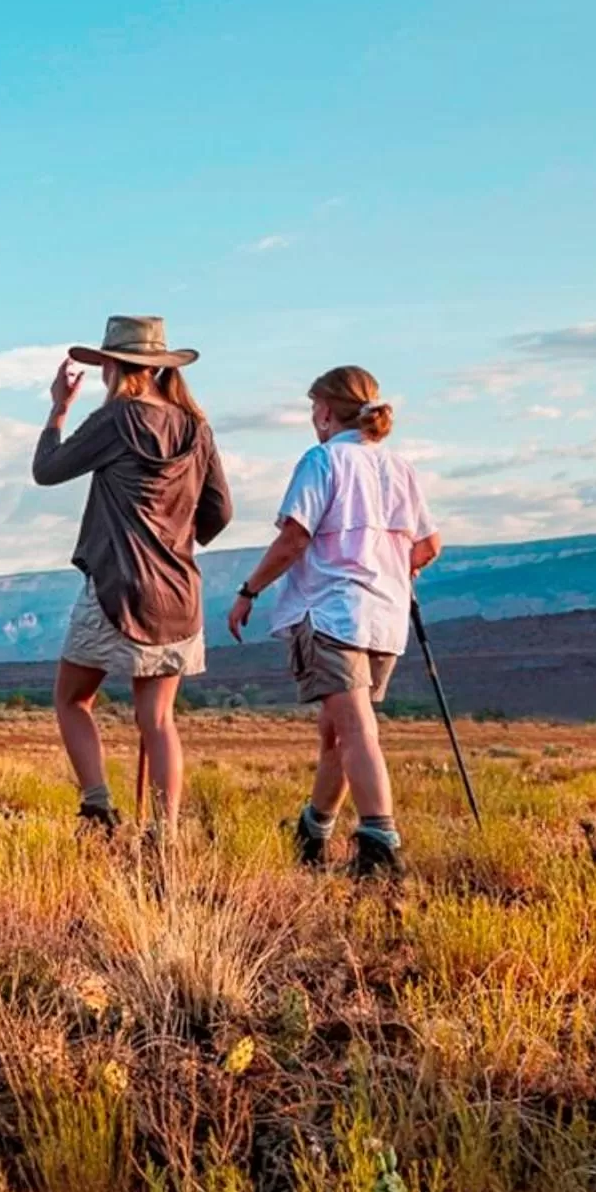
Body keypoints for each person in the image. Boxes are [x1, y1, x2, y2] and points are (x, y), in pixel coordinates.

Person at [227, 365, 440, 877]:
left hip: (332, 614)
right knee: (337, 733)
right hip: (385, 619)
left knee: (355, 729)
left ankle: (379, 843)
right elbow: (429, 545)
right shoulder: (399, 468)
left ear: (324, 411)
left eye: (312, 409)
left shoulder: (322, 460)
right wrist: (393, 568)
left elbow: (294, 538)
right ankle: (313, 830)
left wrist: (249, 591)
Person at [33, 315, 233, 836]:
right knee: (159, 720)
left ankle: (98, 807)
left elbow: (47, 471)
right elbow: (220, 512)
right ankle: (165, 834)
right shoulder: (197, 428)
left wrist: (58, 409)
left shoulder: (116, 419)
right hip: (178, 591)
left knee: (72, 699)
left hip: (116, 587)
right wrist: (175, 536)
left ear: (114, 366)